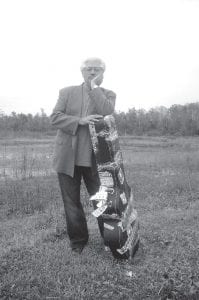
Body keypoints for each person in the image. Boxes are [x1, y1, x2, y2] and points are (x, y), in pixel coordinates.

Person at [51, 57, 116, 254]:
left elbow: (107, 112)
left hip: (96, 160)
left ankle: (110, 239)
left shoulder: (108, 94)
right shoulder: (67, 92)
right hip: (66, 158)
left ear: (103, 73)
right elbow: (55, 118)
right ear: (82, 72)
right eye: (89, 69)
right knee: (71, 203)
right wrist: (80, 120)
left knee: (101, 200)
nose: (92, 72)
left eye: (97, 69)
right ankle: (78, 242)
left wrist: (95, 88)